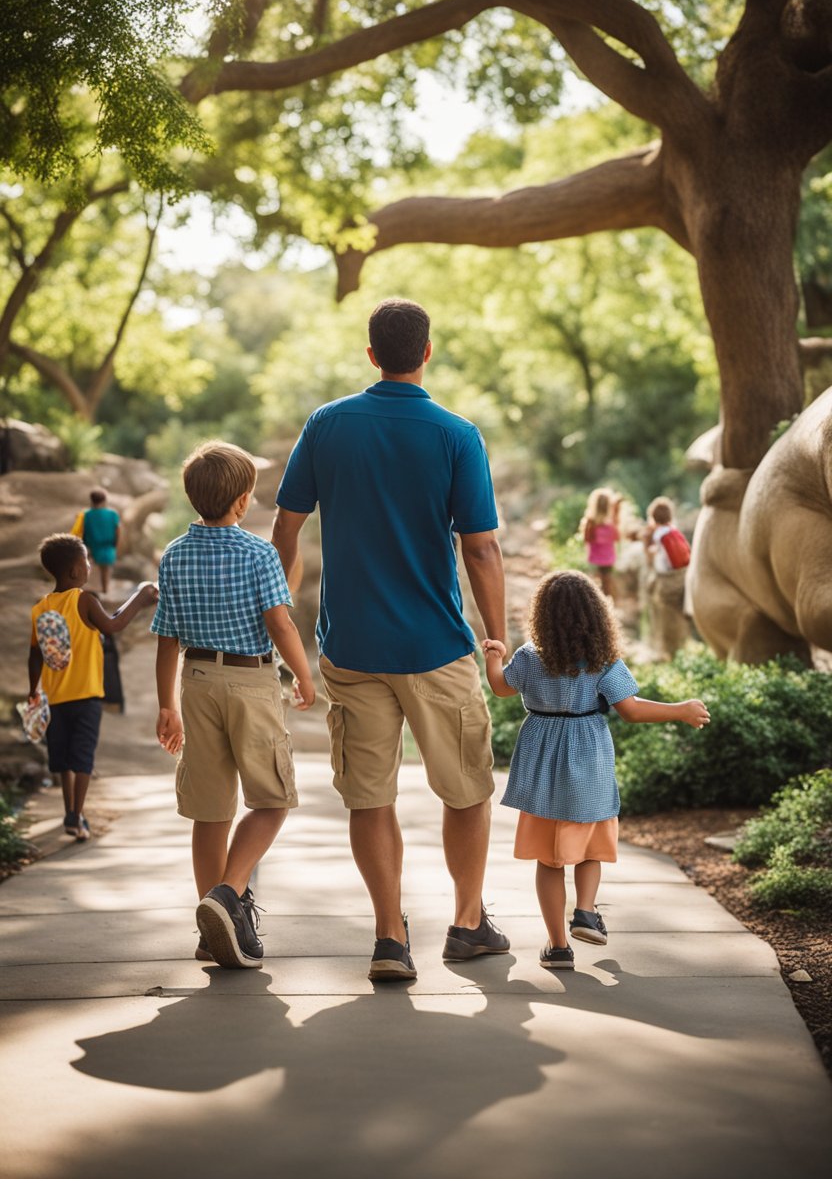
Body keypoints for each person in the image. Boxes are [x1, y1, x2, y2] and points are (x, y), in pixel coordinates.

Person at [273, 296, 510, 983]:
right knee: (466, 790)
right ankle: (467, 924)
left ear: (371, 354)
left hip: (350, 648)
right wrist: (497, 639)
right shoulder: (457, 434)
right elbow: (483, 550)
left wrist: (278, 617)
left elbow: (285, 532)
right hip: (437, 646)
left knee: (369, 795)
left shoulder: (326, 426)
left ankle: (390, 937)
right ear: (426, 352)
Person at [482, 570, 709, 970]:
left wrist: (494, 658)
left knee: (549, 860)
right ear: (596, 615)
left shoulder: (530, 657)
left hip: (541, 762)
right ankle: (585, 911)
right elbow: (632, 709)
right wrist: (679, 710)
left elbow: (501, 688)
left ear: (543, 616)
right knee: (589, 843)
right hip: (587, 755)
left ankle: (557, 948)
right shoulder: (603, 662)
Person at [152, 440, 316, 971]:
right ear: (243, 502)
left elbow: (166, 640)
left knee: (209, 809)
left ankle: (210, 930)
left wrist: (166, 706)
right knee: (271, 800)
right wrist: (302, 672)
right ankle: (228, 895)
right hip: (249, 680)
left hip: (195, 682)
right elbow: (279, 622)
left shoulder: (174, 554)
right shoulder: (258, 553)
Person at [28, 534, 158, 841]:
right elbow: (112, 625)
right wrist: (140, 597)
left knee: (63, 760)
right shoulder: (83, 600)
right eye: (86, 560)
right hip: (86, 695)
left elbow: (34, 655)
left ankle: (70, 814)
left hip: (55, 696)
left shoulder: (40, 608)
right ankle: (77, 814)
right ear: (75, 571)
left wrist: (34, 690)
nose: (89, 565)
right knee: (83, 756)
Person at [643, 495, 691, 660]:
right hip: (682, 576)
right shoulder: (674, 530)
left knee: (667, 618)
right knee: (679, 614)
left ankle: (670, 652)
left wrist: (649, 550)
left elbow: (656, 555)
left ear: (653, 517)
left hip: (666, 580)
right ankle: (683, 647)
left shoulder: (658, 534)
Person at [578, 487, 621, 598]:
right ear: (608, 506)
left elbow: (586, 539)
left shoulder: (590, 523)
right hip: (608, 560)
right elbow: (617, 538)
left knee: (594, 589)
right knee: (607, 588)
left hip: (594, 560)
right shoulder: (611, 523)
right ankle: (607, 609)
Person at [82, 489, 120, 594]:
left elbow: (85, 531)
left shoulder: (87, 515)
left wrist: (85, 544)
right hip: (108, 547)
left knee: (89, 570)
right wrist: (115, 544)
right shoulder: (112, 514)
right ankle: (105, 591)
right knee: (106, 571)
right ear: (104, 500)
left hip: (93, 547)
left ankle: (87, 592)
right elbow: (117, 531)